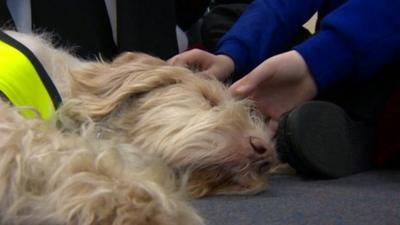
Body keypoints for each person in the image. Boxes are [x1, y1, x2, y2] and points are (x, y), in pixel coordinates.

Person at [169, 0, 400, 178]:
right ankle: (310, 117)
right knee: (224, 21)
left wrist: (317, 60)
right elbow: (279, 6)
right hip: (337, 53)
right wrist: (231, 56)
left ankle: (362, 130)